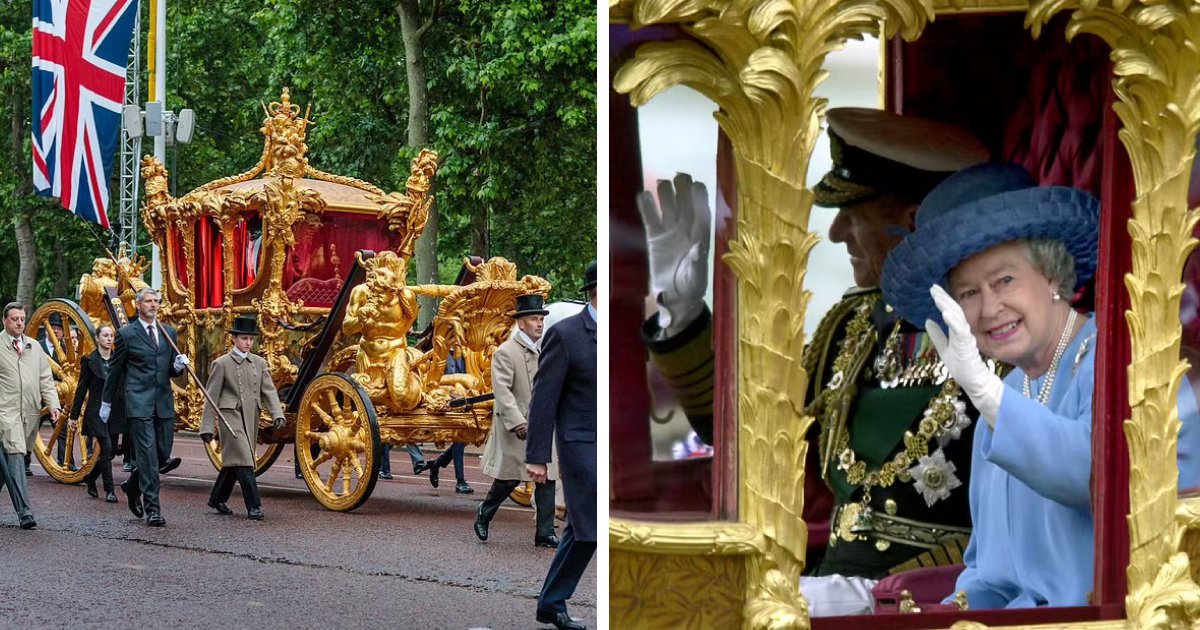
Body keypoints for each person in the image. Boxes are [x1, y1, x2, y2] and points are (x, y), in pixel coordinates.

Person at [637, 109, 991, 615]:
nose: (838, 232)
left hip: (937, 598)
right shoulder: (852, 327)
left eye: (854, 213)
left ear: (912, 222)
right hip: (825, 586)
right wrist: (684, 313)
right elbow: (745, 432)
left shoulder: (997, 338)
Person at [881, 162, 1200, 608]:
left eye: (1004, 280)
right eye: (969, 294)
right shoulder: (1007, 393)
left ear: (1052, 276)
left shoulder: (1128, 362)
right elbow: (988, 574)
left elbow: (1095, 477)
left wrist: (988, 398)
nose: (990, 308)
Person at [526, 262, 597, 630]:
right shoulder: (567, 334)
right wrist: (537, 455)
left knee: (582, 528)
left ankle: (551, 603)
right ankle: (553, 602)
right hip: (580, 445)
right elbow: (544, 398)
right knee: (590, 529)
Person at [475, 293, 559, 548]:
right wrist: (517, 422)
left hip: (543, 423)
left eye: (541, 319)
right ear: (521, 323)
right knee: (510, 478)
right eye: (534, 319)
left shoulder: (545, 349)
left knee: (547, 478)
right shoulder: (505, 352)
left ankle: (544, 532)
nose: (540, 324)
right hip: (516, 427)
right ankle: (484, 512)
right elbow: (502, 392)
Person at [101, 288, 189, 527]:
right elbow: (115, 371)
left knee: (162, 453)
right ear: (138, 305)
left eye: (156, 301)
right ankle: (153, 509)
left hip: (163, 402)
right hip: (138, 402)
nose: (153, 305)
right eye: (149, 301)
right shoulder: (126, 334)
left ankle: (132, 486)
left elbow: (170, 370)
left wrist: (178, 366)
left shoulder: (168, 332)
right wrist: (106, 402)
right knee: (149, 458)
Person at [200, 315, 286, 520]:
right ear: (234, 339)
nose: (248, 343)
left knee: (235, 461)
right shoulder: (221, 364)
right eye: (244, 338)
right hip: (230, 417)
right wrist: (206, 427)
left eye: (250, 339)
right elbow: (211, 397)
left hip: (251, 416)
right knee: (246, 459)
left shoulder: (259, 363)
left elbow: (268, 391)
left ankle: (217, 498)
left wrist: (277, 413)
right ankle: (254, 506)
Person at [0, 303, 61, 529]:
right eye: (14, 319)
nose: (19, 322)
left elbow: (46, 380)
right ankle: (25, 512)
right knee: (15, 455)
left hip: (30, 413)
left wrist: (53, 404)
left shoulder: (34, 347)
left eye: (22, 318)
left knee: (6, 463)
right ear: (5, 321)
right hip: (5, 413)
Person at [69, 324, 122, 503]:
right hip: (96, 412)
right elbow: (81, 389)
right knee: (106, 449)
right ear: (98, 338)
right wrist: (73, 416)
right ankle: (109, 490)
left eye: (111, 336)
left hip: (114, 413)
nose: (109, 339)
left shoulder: (118, 360)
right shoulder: (89, 361)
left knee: (112, 451)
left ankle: (91, 478)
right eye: (105, 335)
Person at [424, 347, 474, 494]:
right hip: (445, 402)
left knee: (463, 440)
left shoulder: (465, 353)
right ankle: (460, 481)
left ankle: (437, 463)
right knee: (460, 439)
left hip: (464, 401)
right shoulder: (438, 352)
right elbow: (432, 381)